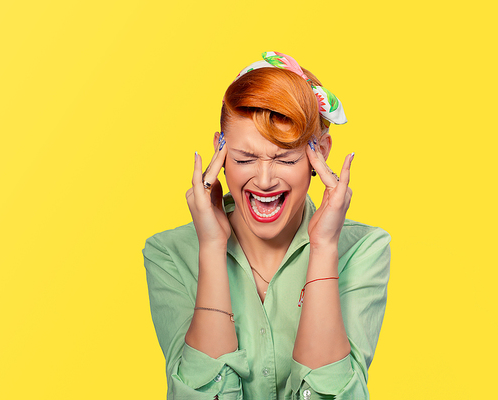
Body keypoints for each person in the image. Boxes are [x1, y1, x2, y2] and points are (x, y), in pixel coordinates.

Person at [142, 52, 391, 399]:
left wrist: (324, 248)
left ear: (321, 152)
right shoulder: (167, 254)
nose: (263, 180)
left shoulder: (364, 250)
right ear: (220, 150)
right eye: (245, 158)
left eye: (285, 159)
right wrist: (212, 249)